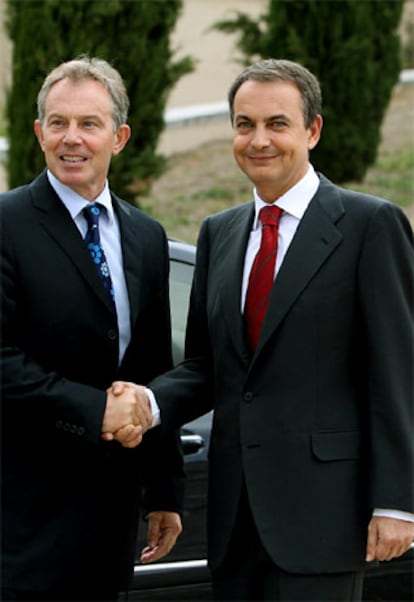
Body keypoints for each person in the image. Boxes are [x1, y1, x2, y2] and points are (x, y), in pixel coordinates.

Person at [111, 59, 414, 600]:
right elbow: (209, 366)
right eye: (244, 124)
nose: (259, 140)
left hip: (324, 518)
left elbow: (398, 371)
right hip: (234, 520)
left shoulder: (371, 225)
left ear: (312, 130)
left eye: (277, 124)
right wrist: (148, 403)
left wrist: (397, 503)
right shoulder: (219, 233)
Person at [0, 56, 184, 601]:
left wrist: (165, 491)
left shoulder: (146, 237)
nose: (71, 139)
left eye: (89, 124)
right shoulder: (6, 225)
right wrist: (93, 408)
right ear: (38, 133)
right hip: (22, 515)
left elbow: (153, 368)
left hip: (111, 509)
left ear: (119, 137)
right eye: (57, 123)